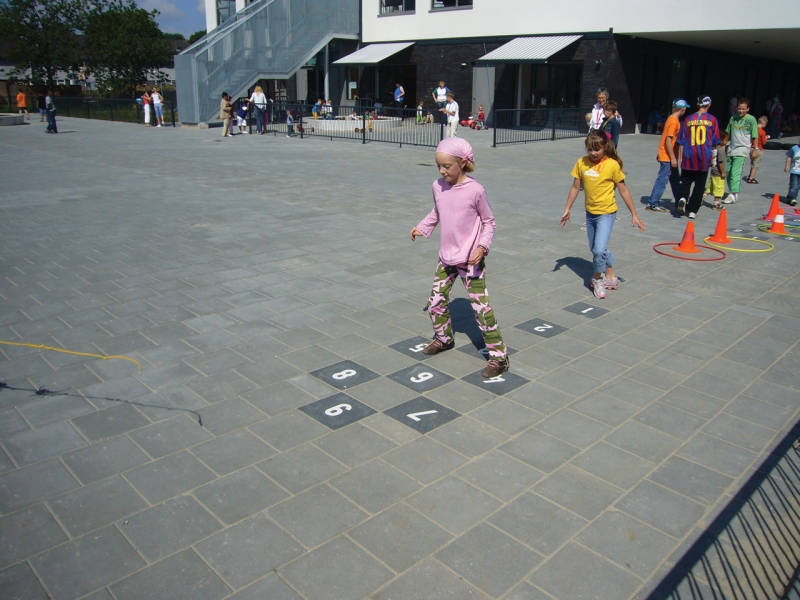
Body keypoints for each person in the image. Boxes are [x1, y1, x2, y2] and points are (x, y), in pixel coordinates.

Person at [410, 137, 509, 378]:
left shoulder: (475, 190)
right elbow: (437, 211)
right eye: (439, 166)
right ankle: (444, 338)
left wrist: (482, 247)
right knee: (435, 302)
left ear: (463, 163)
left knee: (481, 310)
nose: (443, 171)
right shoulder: (438, 186)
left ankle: (499, 357)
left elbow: (489, 222)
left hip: (470, 259)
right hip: (447, 257)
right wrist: (422, 227)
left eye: (447, 166)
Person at [560, 131, 645, 298]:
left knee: (598, 249)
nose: (593, 153)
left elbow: (623, 190)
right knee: (596, 248)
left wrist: (634, 214)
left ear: (605, 147)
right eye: (590, 149)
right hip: (590, 212)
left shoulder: (612, 165)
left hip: (606, 213)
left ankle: (597, 279)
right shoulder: (581, 163)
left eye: (597, 149)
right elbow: (576, 187)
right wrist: (567, 208)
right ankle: (611, 275)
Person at [676, 96, 721, 219]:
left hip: (689, 156)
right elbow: (715, 141)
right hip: (704, 157)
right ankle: (693, 210)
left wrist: (680, 158)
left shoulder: (688, 119)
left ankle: (683, 198)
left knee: (685, 182)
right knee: (699, 185)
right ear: (709, 105)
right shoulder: (712, 120)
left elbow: (681, 140)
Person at [646, 99, 688, 213]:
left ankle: (680, 200)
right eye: (685, 108)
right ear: (682, 108)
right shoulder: (674, 121)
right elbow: (668, 141)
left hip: (668, 155)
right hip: (668, 156)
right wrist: (673, 158)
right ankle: (653, 203)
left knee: (675, 179)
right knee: (663, 179)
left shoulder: (672, 119)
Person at [722, 97, 757, 204]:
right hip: (732, 147)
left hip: (743, 148)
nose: (741, 111)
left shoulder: (751, 119)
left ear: (748, 109)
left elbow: (755, 135)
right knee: (728, 172)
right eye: (739, 108)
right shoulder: (733, 118)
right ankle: (734, 193)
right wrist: (723, 143)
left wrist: (755, 149)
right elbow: (727, 132)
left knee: (735, 172)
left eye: (743, 109)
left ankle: (733, 193)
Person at [705, 135, 727, 211]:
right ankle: (716, 204)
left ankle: (701, 198)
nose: (726, 142)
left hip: (713, 172)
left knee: (710, 187)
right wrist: (723, 172)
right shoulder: (720, 150)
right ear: (721, 140)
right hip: (718, 173)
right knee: (719, 188)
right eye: (726, 140)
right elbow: (720, 162)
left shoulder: (714, 149)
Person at [746, 116, 769, 184]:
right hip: (758, 149)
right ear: (764, 123)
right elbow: (764, 142)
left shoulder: (753, 129)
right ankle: (751, 178)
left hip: (751, 148)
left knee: (752, 163)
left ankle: (750, 175)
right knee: (755, 165)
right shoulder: (762, 132)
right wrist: (766, 137)